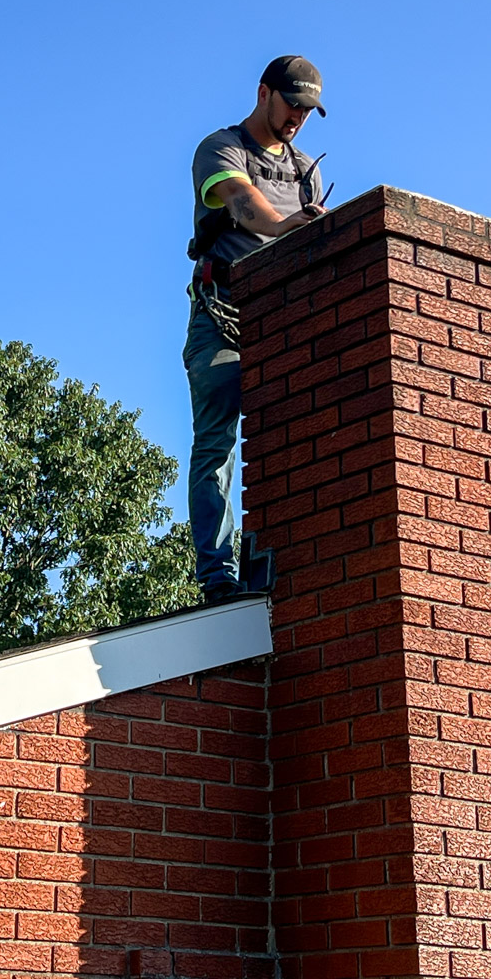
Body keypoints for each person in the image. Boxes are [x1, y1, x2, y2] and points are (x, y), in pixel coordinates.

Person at [184, 55, 327, 606]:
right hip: (221, 318)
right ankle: (218, 578)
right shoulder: (220, 149)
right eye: (291, 104)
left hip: (283, 324)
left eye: (308, 111)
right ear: (264, 92)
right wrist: (286, 225)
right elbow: (245, 205)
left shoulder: (306, 169)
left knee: (297, 433)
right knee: (217, 440)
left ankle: (287, 563)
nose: (297, 118)